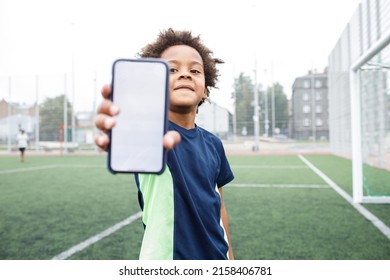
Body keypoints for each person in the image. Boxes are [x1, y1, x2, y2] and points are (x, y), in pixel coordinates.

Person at [95, 28, 235, 260]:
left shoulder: (214, 144)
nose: (185, 74)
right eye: (171, 69)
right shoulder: (151, 133)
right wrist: (119, 125)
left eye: (195, 70)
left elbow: (218, 204)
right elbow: (133, 134)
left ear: (205, 91)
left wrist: (230, 259)